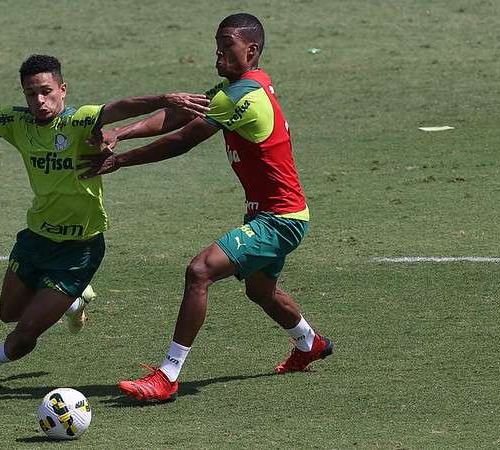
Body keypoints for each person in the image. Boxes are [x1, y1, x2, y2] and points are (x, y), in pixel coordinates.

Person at [0, 54, 209, 390]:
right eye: (31, 94)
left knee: (22, 338)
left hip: (78, 253)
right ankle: (73, 302)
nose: (39, 101)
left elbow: (121, 107)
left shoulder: (82, 121)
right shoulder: (17, 123)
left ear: (63, 90)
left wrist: (164, 99)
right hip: (35, 240)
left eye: (46, 92)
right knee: (9, 313)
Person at [80, 13, 334, 402]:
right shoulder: (237, 88)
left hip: (280, 220)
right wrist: (121, 132)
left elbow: (183, 138)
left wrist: (120, 160)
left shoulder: (244, 97)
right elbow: (179, 113)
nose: (218, 51)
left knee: (199, 272)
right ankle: (309, 342)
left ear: (250, 50)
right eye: (217, 43)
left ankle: (167, 376)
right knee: (260, 291)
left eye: (227, 44)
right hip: (271, 214)